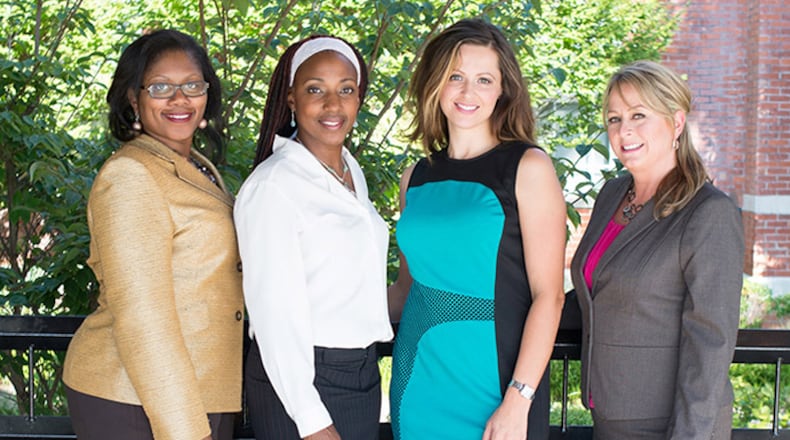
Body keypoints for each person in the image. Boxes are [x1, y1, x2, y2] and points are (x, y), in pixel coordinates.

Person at [388, 19, 567, 440]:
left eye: (484, 79)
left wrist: (518, 399)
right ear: (435, 83)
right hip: (418, 384)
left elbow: (550, 296)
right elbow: (405, 289)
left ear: (503, 89)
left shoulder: (529, 167)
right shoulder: (414, 178)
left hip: (498, 394)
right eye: (455, 77)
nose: (468, 93)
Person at [62, 30, 244, 440]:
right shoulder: (131, 175)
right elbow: (144, 319)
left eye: (192, 85)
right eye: (161, 87)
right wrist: (186, 431)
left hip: (196, 388)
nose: (180, 99)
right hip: (135, 397)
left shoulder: (196, 166)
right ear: (133, 97)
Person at [569, 60, 744, 439]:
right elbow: (600, 291)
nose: (624, 130)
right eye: (614, 119)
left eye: (638, 115)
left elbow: (710, 343)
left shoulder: (709, 212)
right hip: (609, 417)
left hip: (672, 425)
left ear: (676, 123)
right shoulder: (612, 195)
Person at [234, 35, 393, 440]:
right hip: (301, 381)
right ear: (290, 99)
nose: (332, 104)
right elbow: (274, 316)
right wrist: (311, 419)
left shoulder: (348, 172)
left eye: (346, 90)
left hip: (360, 375)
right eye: (315, 89)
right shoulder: (274, 186)